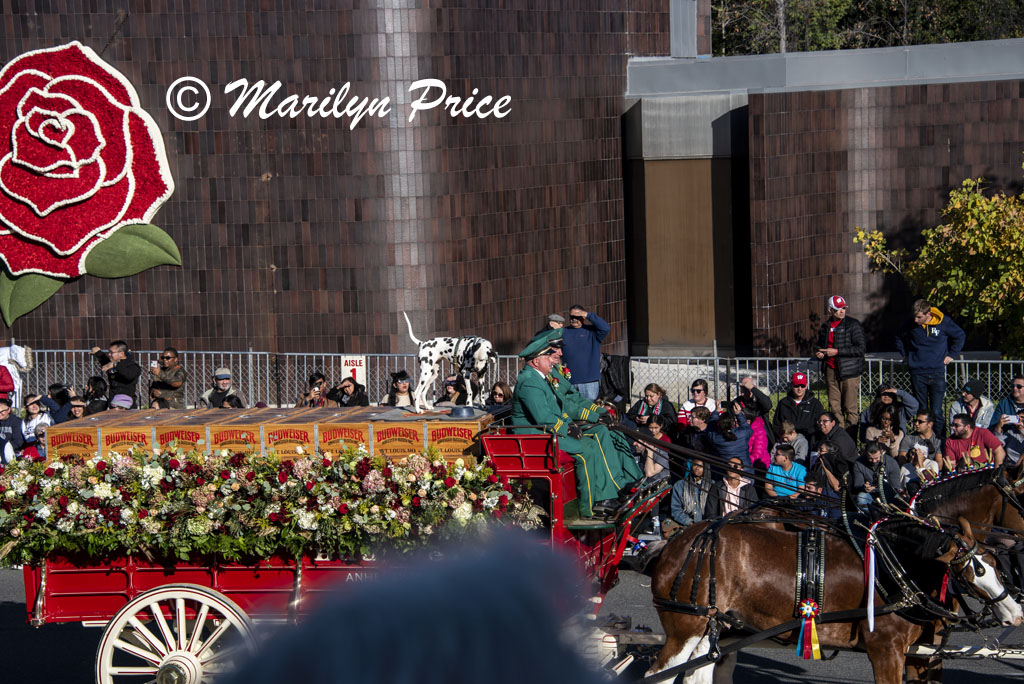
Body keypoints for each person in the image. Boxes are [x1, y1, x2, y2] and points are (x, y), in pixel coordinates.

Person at [510, 331, 639, 518]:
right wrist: (567, 428)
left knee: (596, 440)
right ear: (536, 361)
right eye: (548, 356)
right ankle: (589, 507)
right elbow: (543, 417)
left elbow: (563, 404)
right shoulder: (530, 381)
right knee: (586, 450)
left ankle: (612, 491)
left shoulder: (540, 377)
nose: (553, 359)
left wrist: (585, 418)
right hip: (536, 436)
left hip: (548, 431)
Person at [895, 299, 966, 436]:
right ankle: (923, 437)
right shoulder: (910, 324)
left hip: (936, 372)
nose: (916, 320)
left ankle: (940, 440)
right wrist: (905, 355)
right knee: (922, 409)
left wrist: (952, 354)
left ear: (928, 314)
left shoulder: (943, 322)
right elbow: (898, 337)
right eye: (914, 316)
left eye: (919, 317)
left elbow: (959, 335)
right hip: (917, 372)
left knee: (936, 411)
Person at [814, 295, 866, 435]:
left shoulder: (853, 324)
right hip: (831, 369)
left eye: (843, 308)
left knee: (850, 408)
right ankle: (839, 436)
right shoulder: (826, 326)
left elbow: (860, 348)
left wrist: (836, 352)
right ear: (830, 310)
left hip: (849, 371)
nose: (841, 311)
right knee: (834, 407)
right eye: (837, 309)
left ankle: (850, 440)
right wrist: (821, 353)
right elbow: (821, 345)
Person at [560, 304, 609, 400]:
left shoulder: (592, 332)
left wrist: (589, 315)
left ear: (583, 316)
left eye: (576, 316)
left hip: (589, 382)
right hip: (569, 381)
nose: (573, 319)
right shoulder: (564, 332)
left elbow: (605, 328)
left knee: (588, 411)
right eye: (571, 316)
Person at [771, 372, 825, 443]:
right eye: (796, 386)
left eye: (802, 386)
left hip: (808, 440)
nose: (799, 388)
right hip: (787, 442)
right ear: (791, 385)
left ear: (806, 386)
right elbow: (776, 424)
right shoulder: (783, 403)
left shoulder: (815, 404)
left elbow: (819, 425)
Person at [666, 458, 712, 537]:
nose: (697, 468)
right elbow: (676, 510)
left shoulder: (712, 486)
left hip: (707, 526)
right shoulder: (679, 485)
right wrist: (690, 523)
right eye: (695, 465)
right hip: (686, 526)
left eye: (700, 466)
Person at [90, 340, 141, 407]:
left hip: (126, 405)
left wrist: (116, 365)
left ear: (121, 354)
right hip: (113, 403)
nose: (109, 354)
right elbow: (104, 360)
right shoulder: (111, 363)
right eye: (109, 352)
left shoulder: (133, 366)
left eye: (111, 352)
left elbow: (129, 375)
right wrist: (97, 352)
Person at [851, 441, 902, 508]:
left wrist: (879, 488)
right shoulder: (859, 463)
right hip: (870, 495)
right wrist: (864, 488)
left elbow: (896, 487)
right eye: (870, 459)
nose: (874, 461)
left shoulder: (891, 463)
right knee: (861, 497)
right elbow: (857, 484)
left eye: (876, 458)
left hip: (888, 494)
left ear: (881, 453)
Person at [707, 403, 753, 474]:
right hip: (745, 471)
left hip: (727, 472)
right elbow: (747, 428)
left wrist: (716, 412)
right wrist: (738, 414)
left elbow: (710, 428)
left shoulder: (716, 437)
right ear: (733, 423)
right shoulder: (742, 433)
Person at [637, 415, 672, 481]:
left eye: (656, 428)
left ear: (661, 426)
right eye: (651, 428)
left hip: (658, 464)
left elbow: (662, 457)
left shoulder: (665, 440)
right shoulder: (645, 436)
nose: (653, 430)